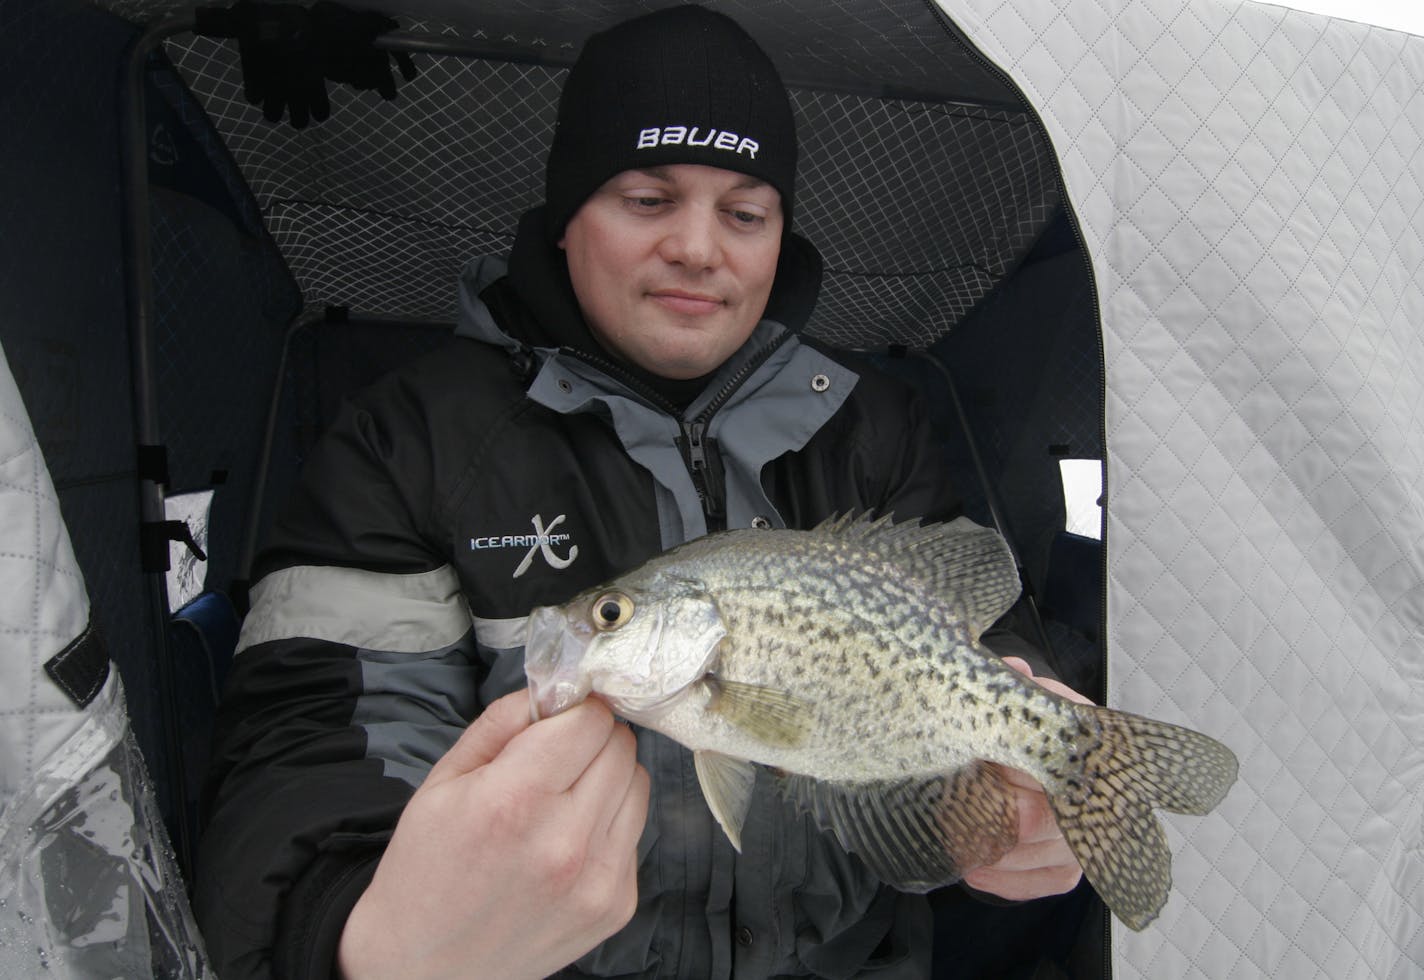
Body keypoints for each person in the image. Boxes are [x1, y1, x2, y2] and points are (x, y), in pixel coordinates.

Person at [194, 6, 1090, 978]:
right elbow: (308, 740)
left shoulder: (876, 428)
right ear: (567, 216)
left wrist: (1004, 799)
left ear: (779, 236)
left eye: (743, 212)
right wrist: (367, 934)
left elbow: (966, 634)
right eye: (646, 198)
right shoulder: (407, 439)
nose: (699, 249)